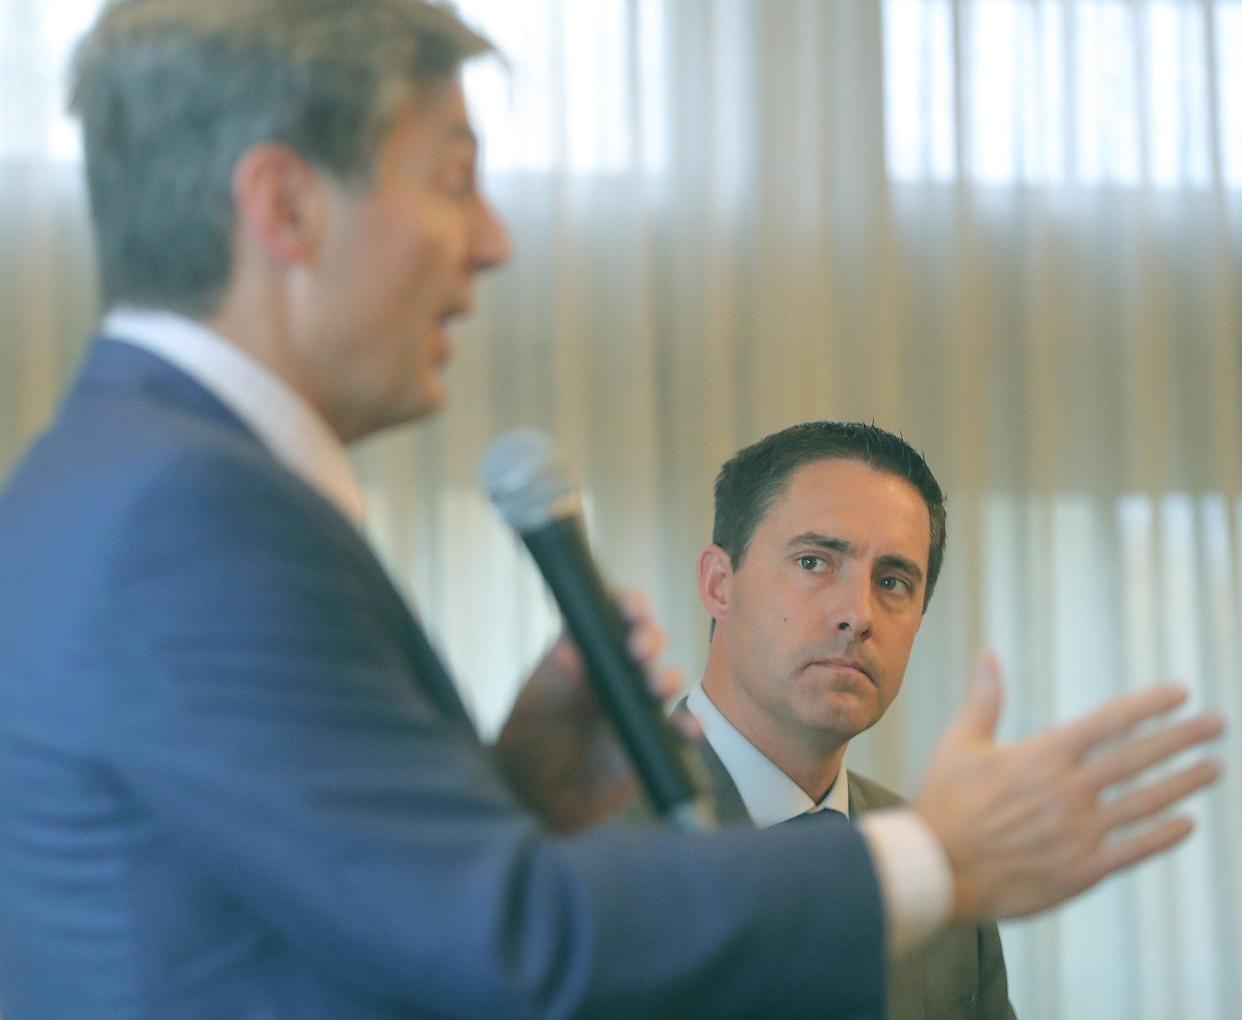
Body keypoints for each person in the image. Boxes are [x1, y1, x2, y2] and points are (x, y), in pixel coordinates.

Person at [0, 2, 1223, 1017]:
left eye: (894, 578)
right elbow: (508, 954)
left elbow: (316, 918)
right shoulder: (189, 519)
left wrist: (512, 794)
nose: (491, 242)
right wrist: (941, 858)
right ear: (284, 207)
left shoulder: (126, 479)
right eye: (455, 182)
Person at [686, 420, 1013, 1019]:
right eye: (814, 562)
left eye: (892, 582)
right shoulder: (573, 831)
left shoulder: (938, 864)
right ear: (718, 583)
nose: (857, 614)